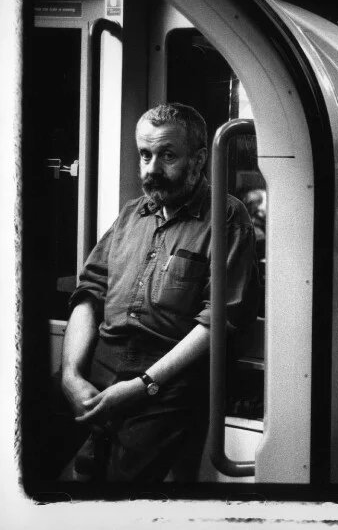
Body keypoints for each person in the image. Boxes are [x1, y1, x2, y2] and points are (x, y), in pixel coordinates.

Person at [60, 103, 260, 481]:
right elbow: (90, 293)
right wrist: (71, 374)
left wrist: (144, 386)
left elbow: (218, 320)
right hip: (99, 364)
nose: (152, 169)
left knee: (121, 491)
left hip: (165, 382)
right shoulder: (132, 213)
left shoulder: (228, 217)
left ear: (199, 160)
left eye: (168, 155)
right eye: (145, 154)